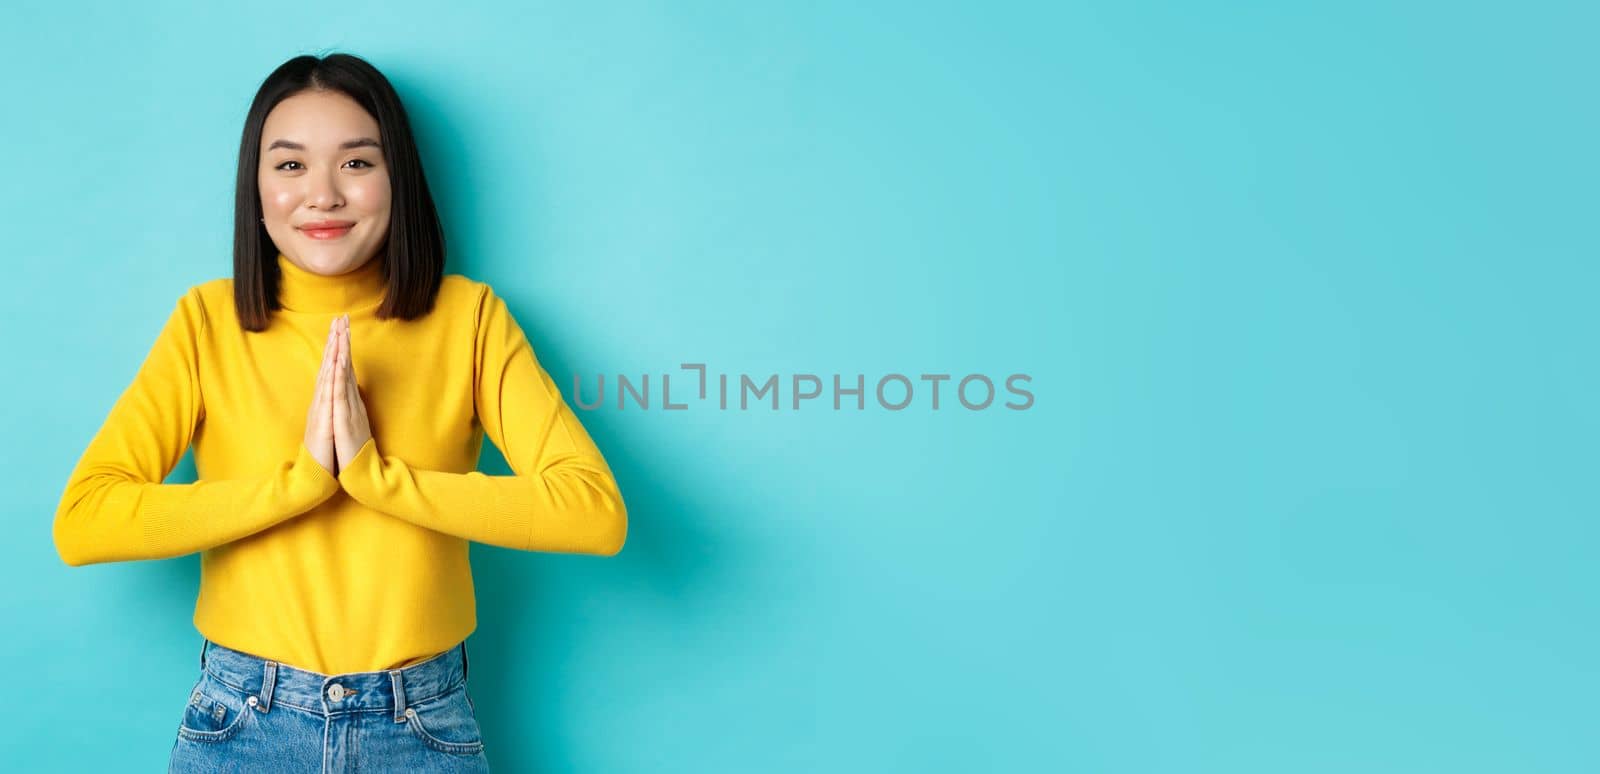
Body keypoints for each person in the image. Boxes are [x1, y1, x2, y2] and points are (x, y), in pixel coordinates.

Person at [51, 52, 628, 772]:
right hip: (243, 721)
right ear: (255, 189)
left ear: (399, 182)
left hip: (421, 724)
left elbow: (592, 512)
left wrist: (378, 478)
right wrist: (295, 486)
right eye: (290, 166)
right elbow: (84, 522)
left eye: (356, 163)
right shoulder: (206, 323)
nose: (322, 195)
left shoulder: (469, 319)